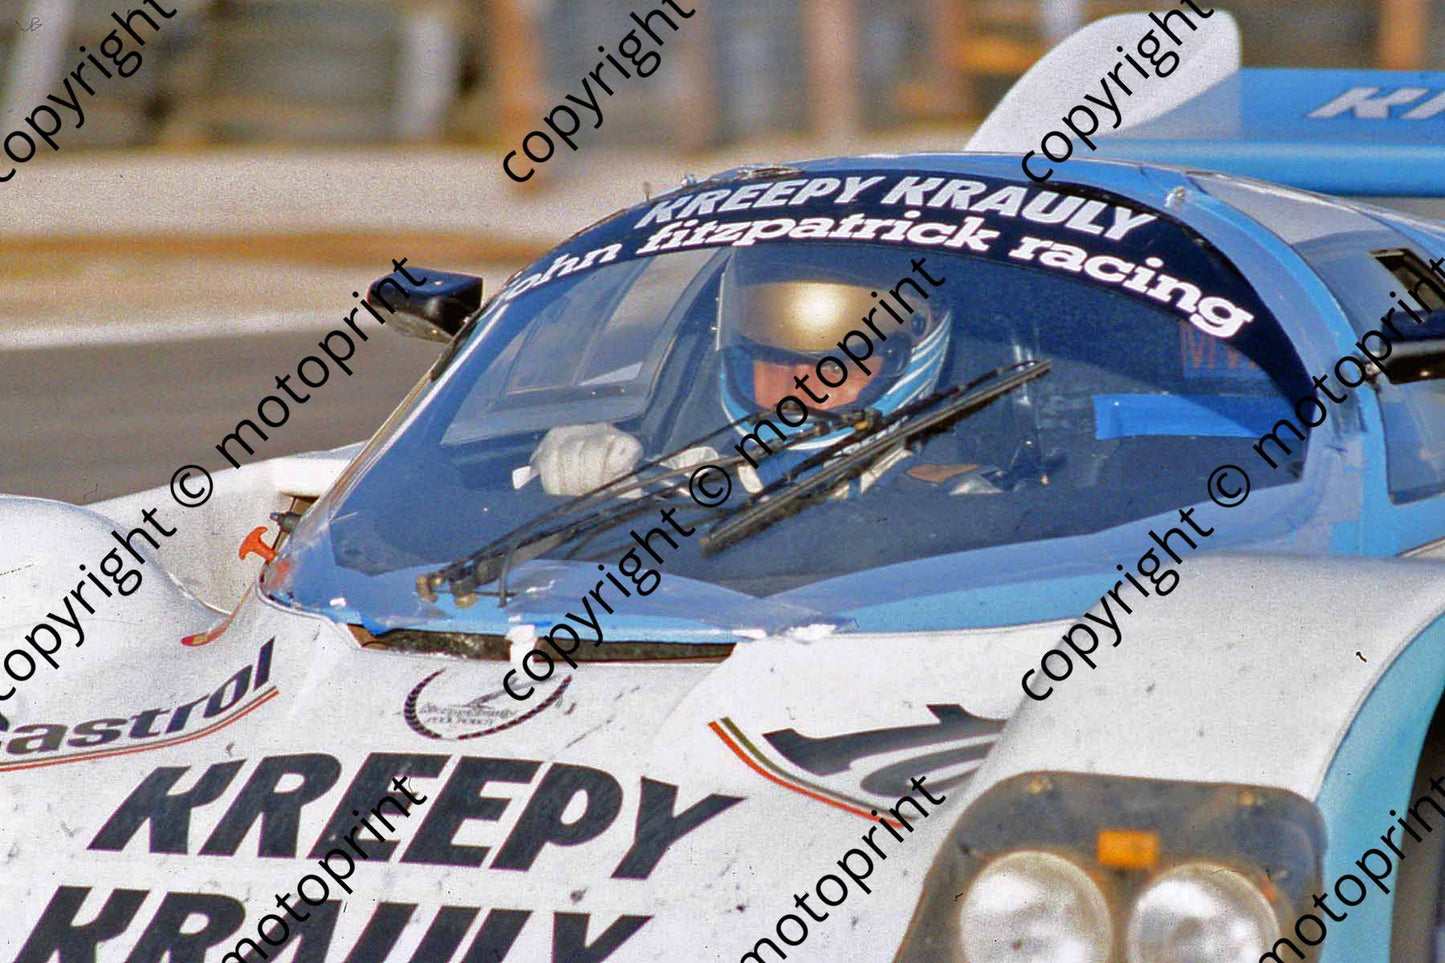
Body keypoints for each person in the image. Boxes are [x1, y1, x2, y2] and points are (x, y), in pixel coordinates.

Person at [524, 248, 953, 499]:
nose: (800, 388)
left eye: (835, 367)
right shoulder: (684, 469)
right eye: (775, 359)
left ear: (909, 355)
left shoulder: (967, 510)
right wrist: (582, 480)